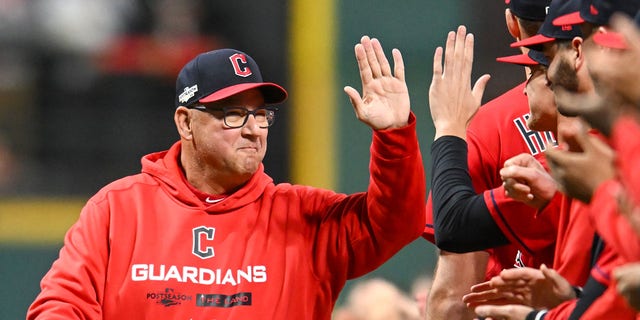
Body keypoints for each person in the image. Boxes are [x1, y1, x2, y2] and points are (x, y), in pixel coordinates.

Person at [27, 38, 427, 319]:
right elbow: (61, 305)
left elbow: (395, 222)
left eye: (260, 114)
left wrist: (393, 137)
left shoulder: (305, 219)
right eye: (233, 114)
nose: (254, 128)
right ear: (186, 122)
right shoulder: (118, 209)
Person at [423, 2, 557, 319]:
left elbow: (452, 303)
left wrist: (449, 129)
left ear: (512, 23)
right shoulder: (619, 135)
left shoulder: (485, 127)